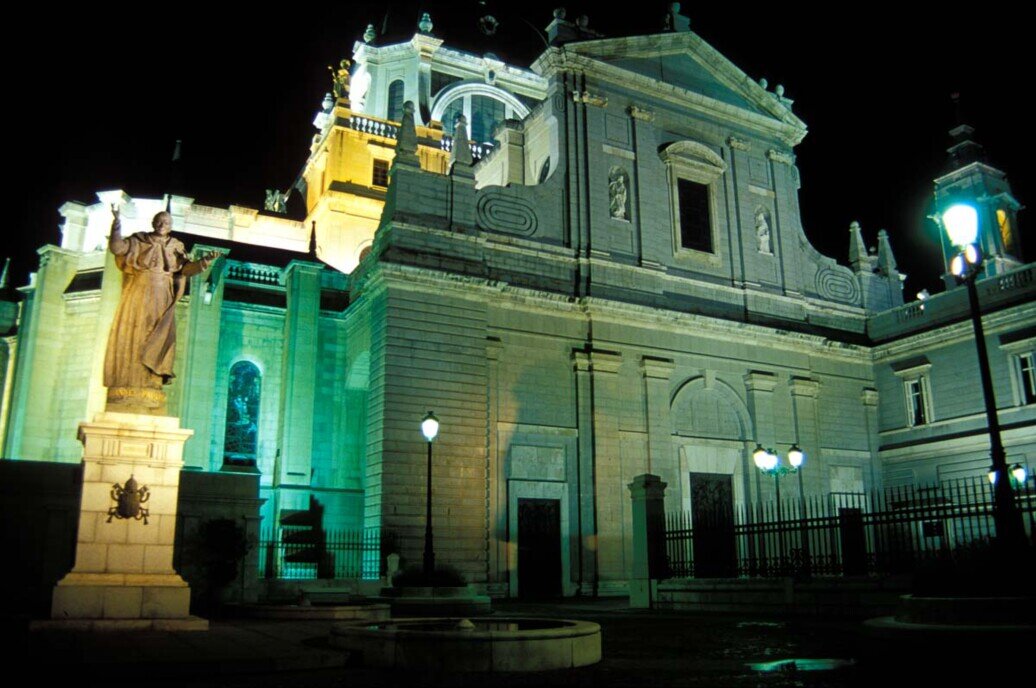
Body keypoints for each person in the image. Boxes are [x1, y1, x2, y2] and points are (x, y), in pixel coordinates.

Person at [104, 206, 217, 413]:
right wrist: (117, 224)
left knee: (158, 337)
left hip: (162, 297)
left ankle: (151, 380)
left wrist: (204, 262)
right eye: (159, 221)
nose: (162, 225)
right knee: (134, 334)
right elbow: (118, 248)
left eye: (166, 222)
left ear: (171, 227)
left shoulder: (176, 246)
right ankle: (126, 381)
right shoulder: (139, 240)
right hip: (138, 292)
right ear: (153, 222)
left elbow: (185, 269)